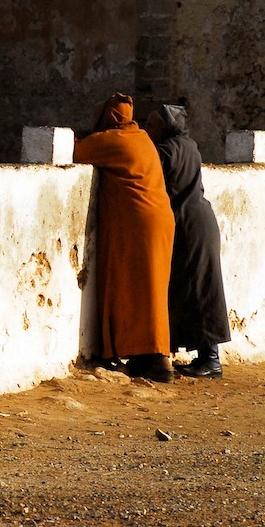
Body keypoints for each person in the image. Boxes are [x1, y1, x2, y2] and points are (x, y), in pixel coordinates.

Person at [73, 93, 177, 383]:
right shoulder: (142, 138)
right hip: (159, 219)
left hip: (139, 223)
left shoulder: (114, 141)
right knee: (150, 290)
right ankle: (151, 355)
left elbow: (77, 152)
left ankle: (155, 360)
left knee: (137, 290)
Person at [144, 103, 231, 378]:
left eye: (153, 124)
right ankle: (205, 358)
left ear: (167, 127)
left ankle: (211, 361)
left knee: (200, 290)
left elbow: (147, 172)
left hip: (190, 226)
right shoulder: (188, 145)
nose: (148, 129)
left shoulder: (168, 150)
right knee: (197, 288)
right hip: (198, 221)